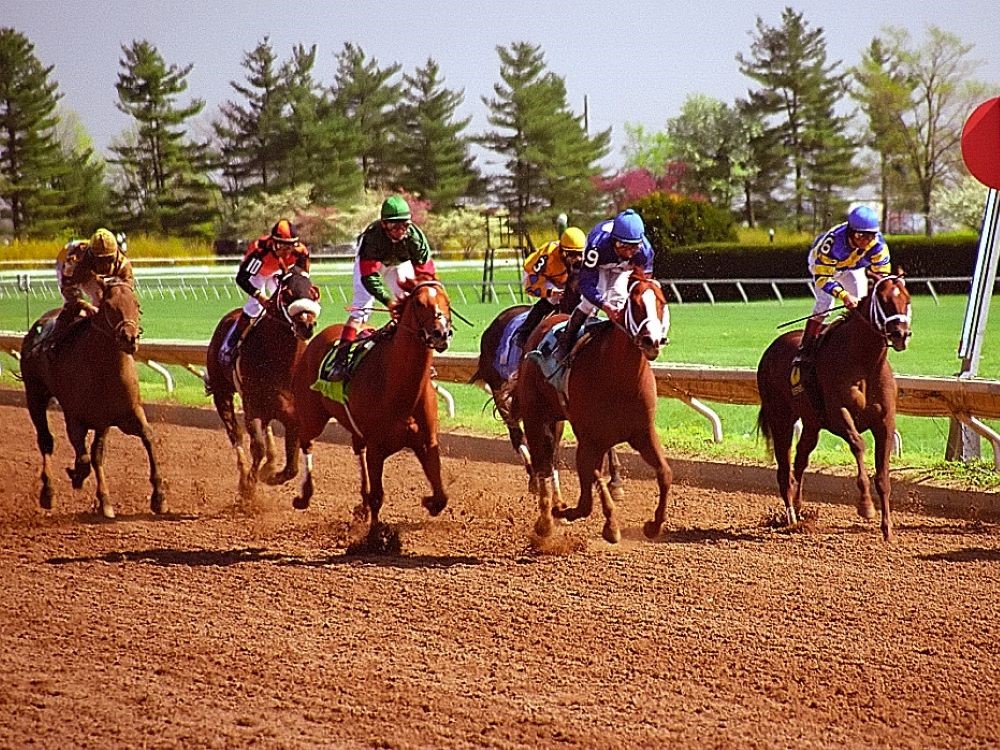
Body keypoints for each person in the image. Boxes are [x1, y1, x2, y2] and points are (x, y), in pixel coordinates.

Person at [323, 195, 436, 381]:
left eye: (405, 225)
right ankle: (340, 361)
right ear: (384, 224)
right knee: (361, 309)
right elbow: (370, 278)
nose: (400, 231)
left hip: (399, 263)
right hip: (371, 265)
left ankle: (422, 361)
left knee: (414, 305)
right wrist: (389, 302)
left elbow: (427, 275)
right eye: (394, 226)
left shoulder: (415, 238)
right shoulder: (372, 238)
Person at [792, 205, 891, 368]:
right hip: (822, 266)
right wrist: (843, 295)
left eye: (871, 236)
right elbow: (823, 278)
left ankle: (860, 346)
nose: (866, 241)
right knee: (826, 305)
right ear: (851, 231)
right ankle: (805, 349)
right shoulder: (833, 242)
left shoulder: (878, 245)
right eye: (861, 235)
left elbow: (882, 277)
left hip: (851, 268)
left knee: (860, 304)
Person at [553, 208, 655, 360]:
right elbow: (586, 283)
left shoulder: (644, 252)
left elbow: (642, 285)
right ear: (613, 240)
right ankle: (566, 340)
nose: (628, 253)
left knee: (619, 301)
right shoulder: (596, 246)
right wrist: (603, 304)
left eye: (634, 247)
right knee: (589, 303)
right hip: (600, 266)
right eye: (623, 246)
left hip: (622, 270)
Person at [220, 218, 310, 364]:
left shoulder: (300, 252)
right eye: (283, 247)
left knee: (288, 304)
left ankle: (298, 339)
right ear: (274, 242)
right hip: (258, 273)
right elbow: (241, 278)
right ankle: (230, 344)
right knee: (254, 307)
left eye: (290, 247)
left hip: (279, 272)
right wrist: (260, 296)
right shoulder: (260, 252)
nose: (287, 252)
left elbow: (302, 277)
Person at [49, 228, 134, 346]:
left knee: (107, 299)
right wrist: (84, 305)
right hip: (65, 257)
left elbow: (126, 296)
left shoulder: (123, 265)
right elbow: (67, 289)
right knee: (73, 307)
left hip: (88, 266)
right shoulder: (77, 261)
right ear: (92, 256)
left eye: (109, 260)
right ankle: (54, 341)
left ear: (116, 254)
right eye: (100, 260)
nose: (104, 265)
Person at [514, 226, 586, 348]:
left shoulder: (584, 257)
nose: (577, 259)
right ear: (562, 250)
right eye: (572, 254)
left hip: (560, 277)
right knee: (554, 299)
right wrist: (549, 292)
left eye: (579, 254)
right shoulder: (548, 256)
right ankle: (523, 332)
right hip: (536, 276)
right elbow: (531, 285)